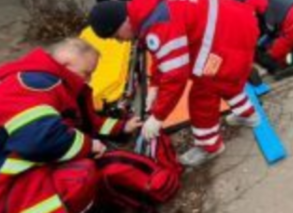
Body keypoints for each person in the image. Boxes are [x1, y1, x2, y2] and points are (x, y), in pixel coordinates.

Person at [88, 0, 260, 167]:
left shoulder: (157, 24)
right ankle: (247, 114)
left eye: (116, 36)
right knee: (224, 79)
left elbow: (175, 75)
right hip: (236, 25)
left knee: (203, 93)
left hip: (229, 40)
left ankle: (210, 146)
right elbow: (163, 53)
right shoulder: (147, 8)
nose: (121, 41)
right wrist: (155, 85)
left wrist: (158, 117)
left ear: (124, 23)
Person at [0, 38, 180, 213]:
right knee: (80, 177)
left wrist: (122, 127)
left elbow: (87, 122)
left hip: (26, 171)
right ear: (66, 64)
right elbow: (40, 139)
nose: (89, 79)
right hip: (11, 187)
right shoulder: (31, 86)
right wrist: (89, 145)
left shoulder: (53, 82)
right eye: (86, 72)